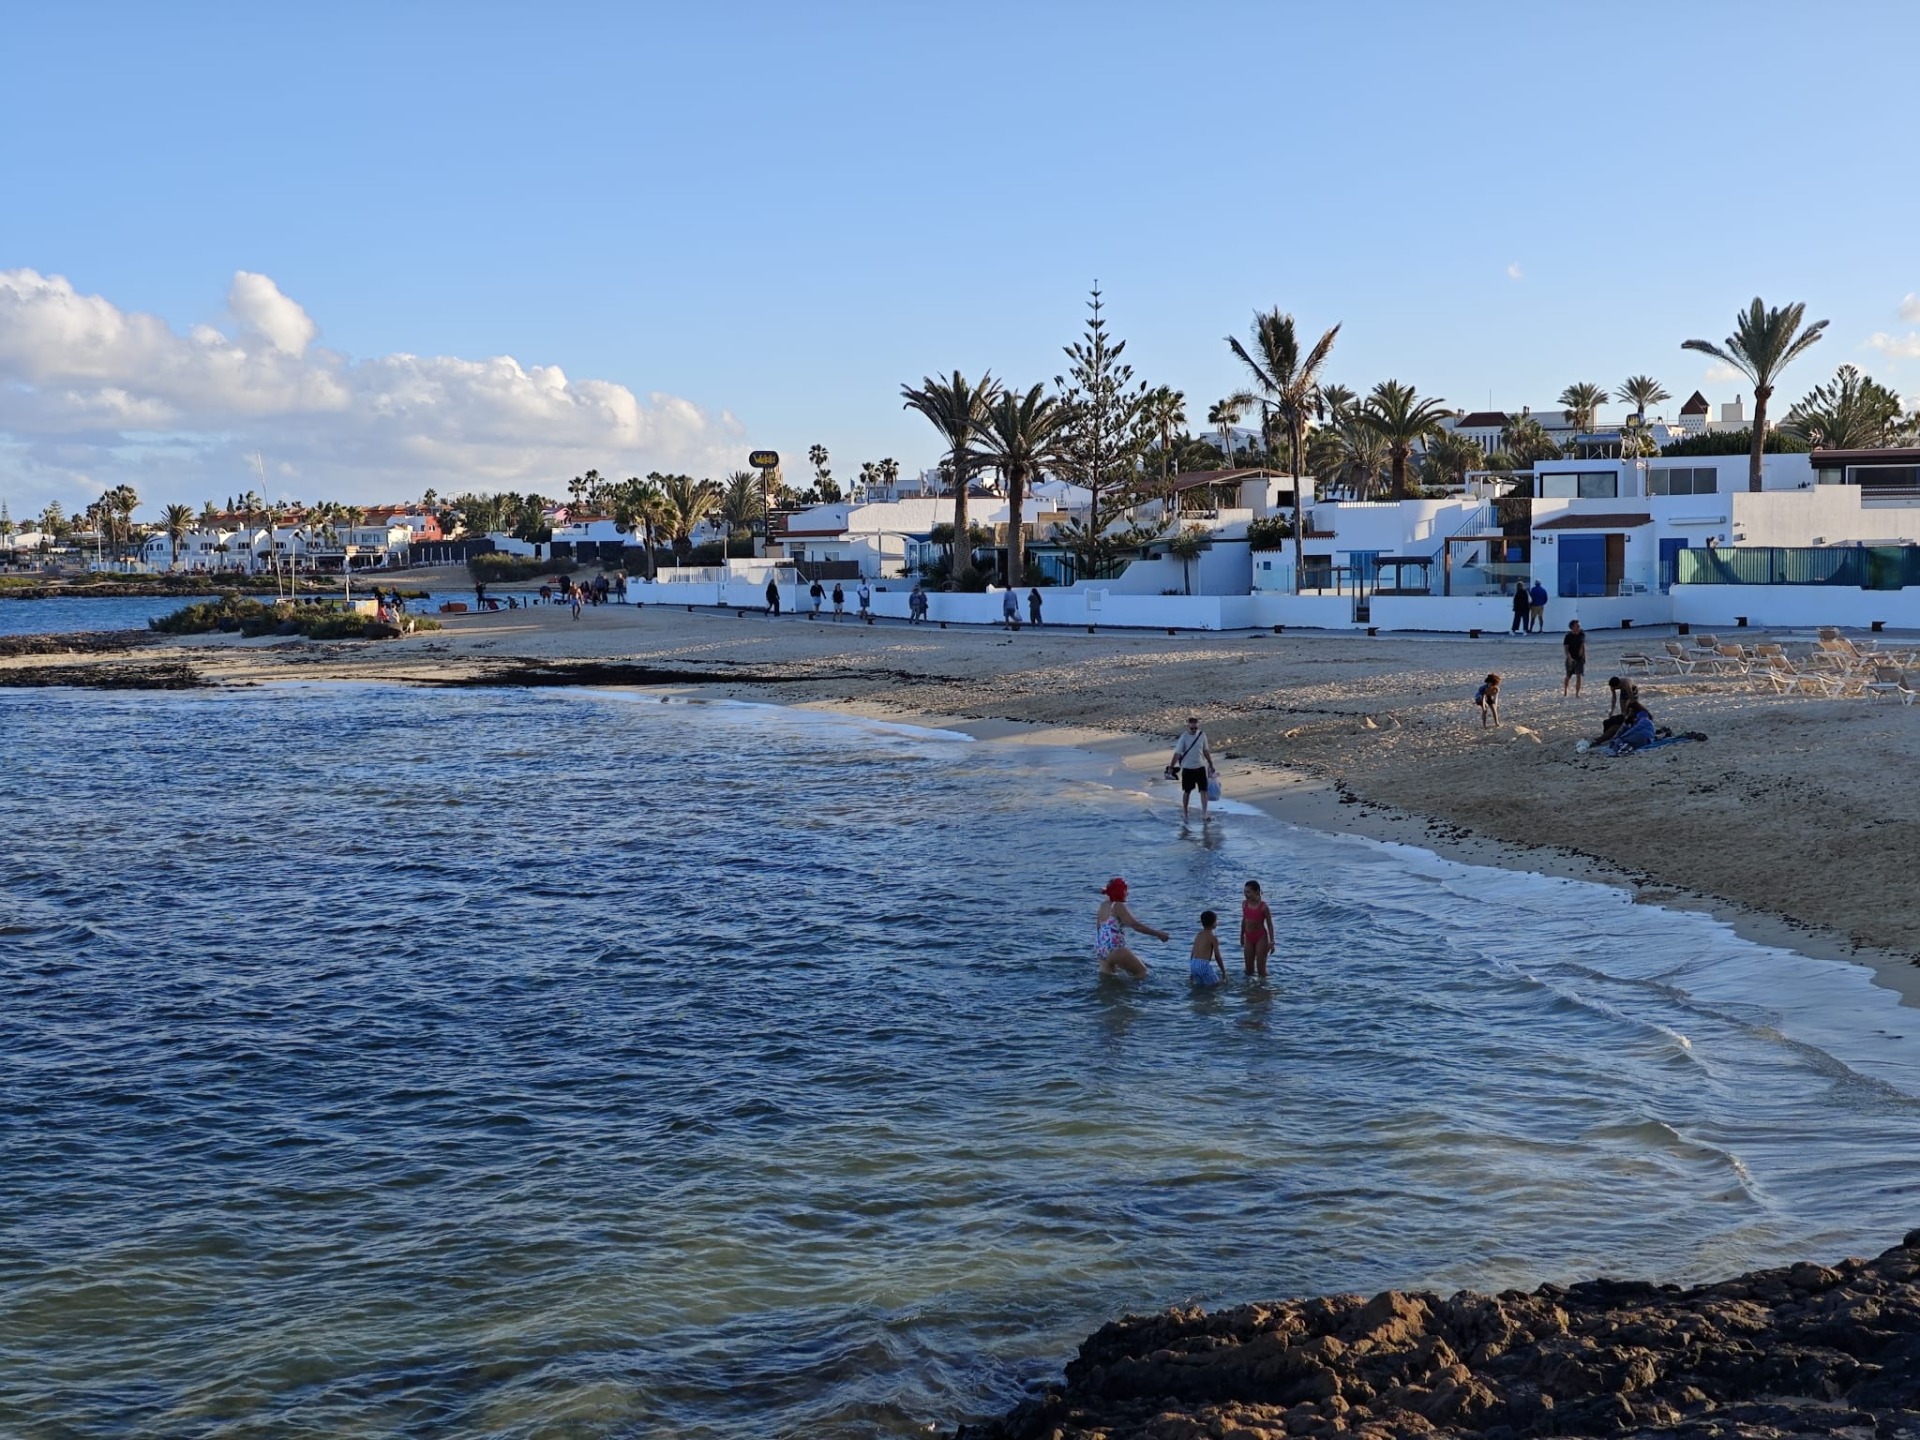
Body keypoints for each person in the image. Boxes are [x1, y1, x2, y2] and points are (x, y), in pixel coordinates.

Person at [1094, 877, 1168, 979]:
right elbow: (1135, 925)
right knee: (1142, 972)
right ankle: (1136, 993)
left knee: (1109, 981)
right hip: (1115, 949)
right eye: (1125, 890)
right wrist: (1158, 934)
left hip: (1101, 950)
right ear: (1119, 891)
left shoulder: (1103, 905)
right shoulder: (1118, 906)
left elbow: (1098, 928)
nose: (1127, 893)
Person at [1168, 715, 1216, 820]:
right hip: (1187, 769)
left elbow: (1205, 750)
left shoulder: (1202, 735)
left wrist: (1211, 764)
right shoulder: (1184, 737)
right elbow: (1177, 753)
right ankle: (1185, 812)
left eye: (1195, 728)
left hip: (1200, 767)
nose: (1194, 730)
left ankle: (1204, 813)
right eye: (1192, 728)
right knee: (1187, 791)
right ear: (1187, 726)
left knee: (1204, 791)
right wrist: (1171, 766)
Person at [1240, 880, 1275, 979]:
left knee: (1261, 970)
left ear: (1257, 891)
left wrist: (1272, 941)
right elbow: (1244, 920)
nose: (1246, 895)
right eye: (1245, 892)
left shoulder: (1263, 907)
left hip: (1261, 937)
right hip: (1248, 937)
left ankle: (1264, 990)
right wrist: (1241, 935)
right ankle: (1250, 990)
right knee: (1248, 970)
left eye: (1248, 892)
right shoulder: (1244, 904)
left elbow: (1270, 924)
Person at [1189, 911, 1227, 988]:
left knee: (1201, 987)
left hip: (1194, 963)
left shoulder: (1198, 935)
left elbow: (1192, 952)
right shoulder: (1213, 938)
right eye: (1216, 921)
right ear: (1213, 923)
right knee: (1217, 985)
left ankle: (1202, 999)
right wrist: (1223, 972)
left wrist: (1192, 971)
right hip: (1203, 965)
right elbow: (1217, 956)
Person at [1562, 619, 1587, 698]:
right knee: (1568, 676)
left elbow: (1582, 645)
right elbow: (1566, 648)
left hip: (1579, 658)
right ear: (1572, 627)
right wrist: (1569, 658)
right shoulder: (1568, 636)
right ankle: (1565, 690)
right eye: (1577, 626)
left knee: (1578, 675)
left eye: (1579, 626)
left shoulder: (1581, 634)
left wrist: (1584, 656)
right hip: (1571, 658)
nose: (1578, 627)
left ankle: (1577, 693)